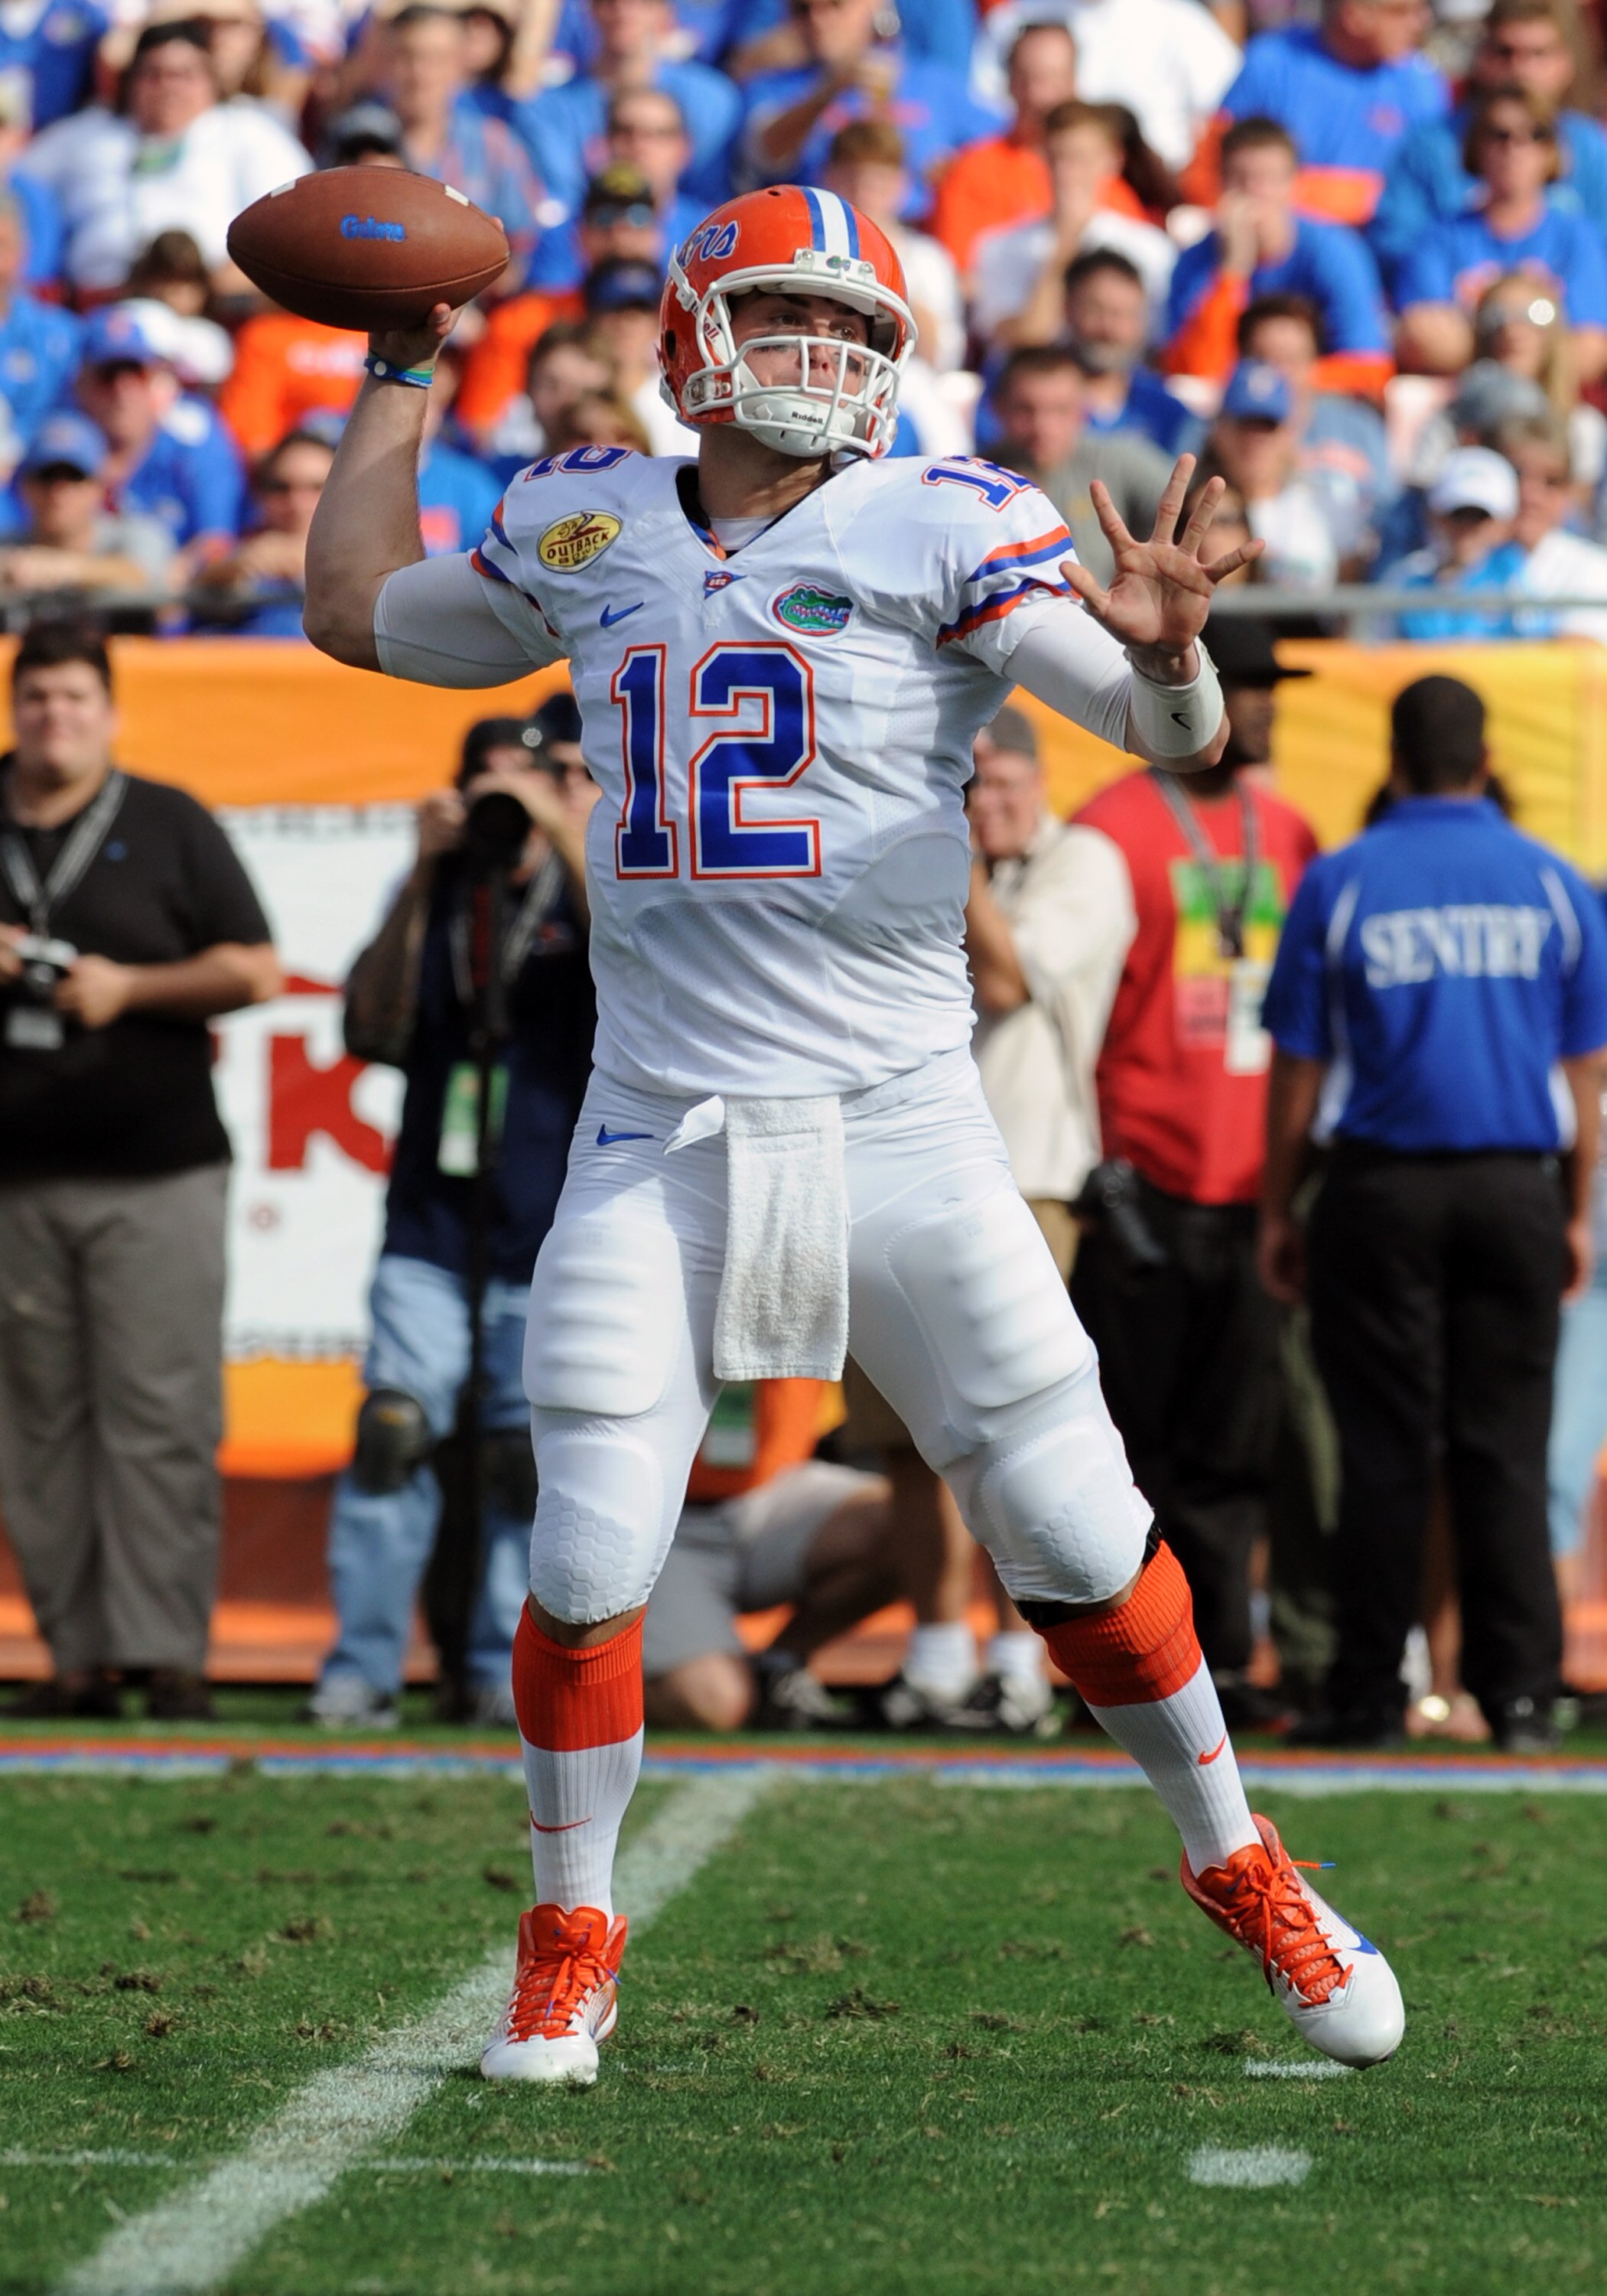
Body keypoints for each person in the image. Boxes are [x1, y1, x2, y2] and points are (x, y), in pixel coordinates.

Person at [302, 178, 1403, 2084]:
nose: (830, 357)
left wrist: (1161, 651)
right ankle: (571, 1926)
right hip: (660, 1122)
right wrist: (399, 360)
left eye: (856, 326)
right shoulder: (587, 513)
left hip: (901, 1121)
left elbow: (1163, 732)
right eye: (792, 318)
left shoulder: (952, 515)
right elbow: (348, 609)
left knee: (1069, 1522)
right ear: (692, 340)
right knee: (581, 1556)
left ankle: (1245, 1861)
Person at [1260, 674, 1607, 1753]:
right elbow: (1585, 1071)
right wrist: (1576, 1211)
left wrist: (1279, 1208)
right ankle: (1519, 1697)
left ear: (1396, 761)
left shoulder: (1342, 878)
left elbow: (1299, 1070)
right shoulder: (1552, 883)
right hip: (1516, 1183)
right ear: (1486, 759)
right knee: (1505, 1446)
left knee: (1383, 1448)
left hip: (1382, 1187)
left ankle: (1367, 1691)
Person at [0, 622, 281, 1721]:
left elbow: (255, 966)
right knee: (36, 1423)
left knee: (157, 1414)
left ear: (110, 712)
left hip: (154, 1171)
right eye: (36, 700)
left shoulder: (166, 820)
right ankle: (72, 1660)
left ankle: (165, 1655)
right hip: (14, 1176)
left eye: (74, 698)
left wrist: (132, 989)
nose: (53, 718)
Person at [310, 702, 597, 1731]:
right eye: (492, 786)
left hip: (556, 1226)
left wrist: (556, 826)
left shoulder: (589, 890)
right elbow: (366, 1025)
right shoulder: (438, 895)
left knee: (525, 1465)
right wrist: (425, 877)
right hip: (432, 1227)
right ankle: (360, 1673)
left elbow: (641, 978)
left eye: (545, 776)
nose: (511, 806)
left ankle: (494, 1671)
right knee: (392, 1432)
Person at [1069, 617, 1319, 1724]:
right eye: (1244, 685)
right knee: (1132, 1446)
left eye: (1268, 689)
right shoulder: (1110, 828)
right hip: (1146, 1185)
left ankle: (1214, 1665)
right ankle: (1122, 1671)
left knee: (1234, 1445)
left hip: (1252, 1185)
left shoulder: (1294, 830)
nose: (1259, 706)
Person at [642, 1379, 898, 1731]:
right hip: (657, 1515)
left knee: (917, 1524)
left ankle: (776, 1667)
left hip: (775, 1490)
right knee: (714, 1703)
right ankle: (588, 1679)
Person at [15, 18, 314, 294]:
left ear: (212, 80)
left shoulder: (249, 132)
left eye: (184, 74)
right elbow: (14, 187)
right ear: (130, 81)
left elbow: (296, 219)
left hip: (209, 304)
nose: (169, 87)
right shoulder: (83, 136)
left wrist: (220, 283)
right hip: (97, 306)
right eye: (153, 74)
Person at [1372, 0, 1607, 297]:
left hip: (1562, 326)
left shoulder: (1590, 148)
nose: (1520, 69)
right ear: (1481, 58)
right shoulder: (1431, 145)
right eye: (1505, 53)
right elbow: (1395, 244)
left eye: (1539, 54)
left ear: (1566, 64)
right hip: (1453, 319)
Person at [1395, 86, 1607, 385]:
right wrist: (1524, 355)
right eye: (1499, 134)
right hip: (1463, 398)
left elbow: (1592, 348)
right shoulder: (1440, 235)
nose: (1514, 148)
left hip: (1548, 406)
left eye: (1535, 135)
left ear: (1551, 151)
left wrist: (1501, 356)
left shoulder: (1576, 236)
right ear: (1475, 147)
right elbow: (1422, 335)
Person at [1164, 118, 1390, 398]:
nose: (1255, 192)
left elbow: (1369, 367)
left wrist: (1279, 382)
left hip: (1316, 403)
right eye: (1241, 179)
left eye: (1268, 179)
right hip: (1227, 410)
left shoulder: (1335, 252)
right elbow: (1192, 372)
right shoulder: (1196, 261)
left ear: (1294, 184)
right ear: (1221, 184)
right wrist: (1231, 273)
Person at [740, 0, 997, 220]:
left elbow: (1009, 150)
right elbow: (763, 153)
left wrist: (957, 170)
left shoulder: (928, 80)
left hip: (912, 241)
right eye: (802, 9)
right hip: (815, 238)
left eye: (836, 4)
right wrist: (829, 90)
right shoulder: (776, 85)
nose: (819, 19)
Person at [1210, 0, 1449, 226]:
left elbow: (1433, 191)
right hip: (1271, 245)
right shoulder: (1271, 61)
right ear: (1354, 15)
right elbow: (1211, 165)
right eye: (1400, 12)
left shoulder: (1422, 84)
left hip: (1381, 254)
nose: (1420, 22)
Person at [970, 99, 1176, 346]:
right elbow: (1023, 340)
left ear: (1113, 161)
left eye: (1080, 158)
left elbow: (1151, 343)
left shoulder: (1151, 249)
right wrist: (1063, 248)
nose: (1065, 173)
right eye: (1056, 157)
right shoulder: (1001, 247)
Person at [971, 0, 1241, 180]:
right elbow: (984, 115)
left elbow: (1231, 114)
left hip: (1156, 199)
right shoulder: (1012, 21)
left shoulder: (1183, 23)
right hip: (1034, 187)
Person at [519, 0, 741, 215]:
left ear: (664, 10)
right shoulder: (547, 110)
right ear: (590, 9)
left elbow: (712, 197)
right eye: (609, 1)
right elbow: (563, 203)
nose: (623, 10)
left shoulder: (714, 99)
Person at [381, 3, 543, 292]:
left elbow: (519, 255)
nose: (420, 74)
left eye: (435, 59)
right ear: (386, 63)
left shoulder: (495, 148)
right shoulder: (354, 138)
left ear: (458, 66)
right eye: (407, 57)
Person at [73, 305, 246, 557]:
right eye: (108, 377)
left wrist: (167, 579)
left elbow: (217, 540)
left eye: (136, 374)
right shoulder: (59, 449)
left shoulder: (193, 442)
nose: (123, 391)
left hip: (182, 591)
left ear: (156, 380)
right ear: (82, 384)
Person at [993, 344, 1173, 586]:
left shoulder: (1116, 460)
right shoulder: (972, 478)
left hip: (1102, 619)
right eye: (1026, 410)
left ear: (1083, 411)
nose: (1042, 427)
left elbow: (1194, 508)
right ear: (998, 408)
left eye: (1060, 410)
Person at [1237, 293, 1392, 572]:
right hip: (1256, 580)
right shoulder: (1224, 428)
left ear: (1313, 365)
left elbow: (1386, 510)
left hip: (1351, 584)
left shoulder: (1358, 425)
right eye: (1265, 360)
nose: (1280, 373)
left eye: (1292, 360)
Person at [929, 18, 1080, 276]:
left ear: (1073, 83)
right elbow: (962, 276)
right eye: (1027, 80)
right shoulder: (972, 172)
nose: (1038, 96)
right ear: (1010, 84)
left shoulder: (1099, 168)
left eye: (1052, 79)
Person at [0, 412, 175, 603]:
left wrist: (62, 568)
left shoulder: (135, 535)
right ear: (25, 486)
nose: (59, 493)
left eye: (75, 477)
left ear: (99, 487)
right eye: (47, 477)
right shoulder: (8, 546)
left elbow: (146, 575)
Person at [1203, 358, 1342, 591]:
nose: (1255, 440)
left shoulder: (1326, 504)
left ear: (1289, 433)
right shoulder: (1196, 509)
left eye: (1268, 426)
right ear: (1220, 430)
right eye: (1244, 425)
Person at [189, 424, 335, 636]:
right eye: (281, 488)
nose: (296, 502)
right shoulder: (245, 551)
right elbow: (191, 598)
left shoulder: (369, 561)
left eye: (316, 488)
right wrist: (240, 565)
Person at [1062, 248, 1200, 458]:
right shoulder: (1029, 404)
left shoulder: (1169, 413)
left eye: (1122, 314)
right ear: (1067, 310)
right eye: (1096, 311)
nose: (1108, 329)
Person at [1379, 444, 1527, 640]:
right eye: (1458, 514)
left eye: (1480, 517)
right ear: (1436, 517)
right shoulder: (1406, 578)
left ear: (1502, 523)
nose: (1467, 528)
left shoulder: (1514, 575)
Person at [1505, 410, 1607, 643]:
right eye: (1518, 474)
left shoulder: (1595, 569)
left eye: (1552, 481)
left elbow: (1577, 663)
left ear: (1570, 491)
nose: (1531, 494)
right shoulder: (1428, 570)